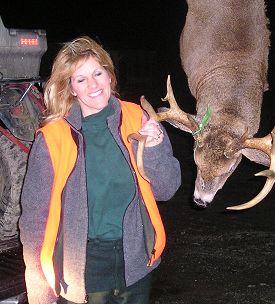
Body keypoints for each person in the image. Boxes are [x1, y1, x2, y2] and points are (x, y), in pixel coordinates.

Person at [19, 36, 181, 304]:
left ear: (109, 76)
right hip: (82, 271)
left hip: (136, 265)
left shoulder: (139, 119)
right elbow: (35, 220)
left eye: (98, 73)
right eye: (81, 79)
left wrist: (152, 149)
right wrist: (40, 293)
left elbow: (167, 189)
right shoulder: (52, 138)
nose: (93, 85)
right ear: (71, 88)